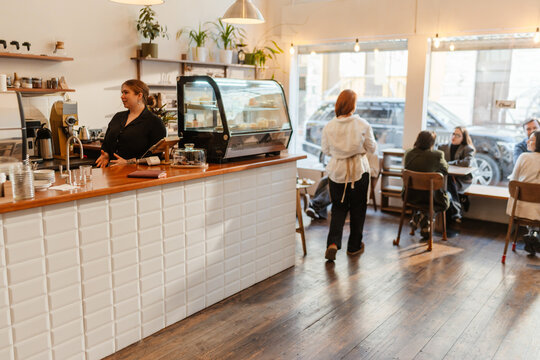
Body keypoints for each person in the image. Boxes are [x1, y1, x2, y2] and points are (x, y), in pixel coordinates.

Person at [322, 89, 377, 261]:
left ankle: (332, 243)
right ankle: (353, 247)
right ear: (353, 105)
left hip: (336, 171)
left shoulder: (329, 126)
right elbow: (372, 148)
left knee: (338, 209)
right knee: (358, 210)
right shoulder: (362, 124)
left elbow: (325, 150)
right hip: (358, 171)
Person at [96, 79, 166, 168]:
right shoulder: (117, 117)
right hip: (112, 173)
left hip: (136, 174)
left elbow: (155, 157)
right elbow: (106, 143)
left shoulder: (155, 122)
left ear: (139, 95)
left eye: (126, 92)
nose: (122, 96)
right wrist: (106, 154)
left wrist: (128, 162)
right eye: (122, 93)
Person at [404, 131, 450, 239]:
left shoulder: (409, 153)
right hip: (430, 198)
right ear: (432, 143)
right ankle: (423, 217)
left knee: (427, 197)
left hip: (410, 196)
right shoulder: (437, 155)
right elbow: (445, 169)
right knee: (446, 198)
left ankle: (419, 217)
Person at [507, 129, 540, 254]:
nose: (527, 141)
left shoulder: (523, 157)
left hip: (520, 209)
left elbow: (513, 181)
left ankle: (532, 234)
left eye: (531, 140)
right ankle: (533, 234)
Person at [438, 126, 475, 221]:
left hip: (462, 179)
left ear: (463, 138)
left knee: (447, 180)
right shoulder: (443, 147)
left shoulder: (467, 148)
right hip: (449, 179)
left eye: (458, 135)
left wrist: (450, 163)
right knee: (446, 180)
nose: (454, 136)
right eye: (453, 133)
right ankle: (455, 210)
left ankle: (455, 211)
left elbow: (467, 162)